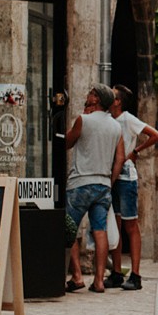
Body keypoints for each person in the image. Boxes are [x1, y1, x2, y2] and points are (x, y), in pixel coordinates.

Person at [102, 83, 158, 291]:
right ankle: (117, 272)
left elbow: (156, 135)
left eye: (112, 94)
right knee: (115, 224)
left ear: (118, 101)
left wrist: (135, 151)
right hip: (111, 174)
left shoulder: (128, 119)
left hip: (126, 176)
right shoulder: (108, 119)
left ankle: (136, 275)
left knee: (130, 224)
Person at [64, 86, 125, 293]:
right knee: (100, 231)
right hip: (103, 185)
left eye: (90, 93)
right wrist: (110, 180)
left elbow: (68, 142)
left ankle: (77, 275)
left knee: (69, 228)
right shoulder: (116, 127)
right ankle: (99, 281)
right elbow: (119, 159)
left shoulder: (84, 119)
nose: (87, 95)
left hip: (80, 182)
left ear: (96, 98)